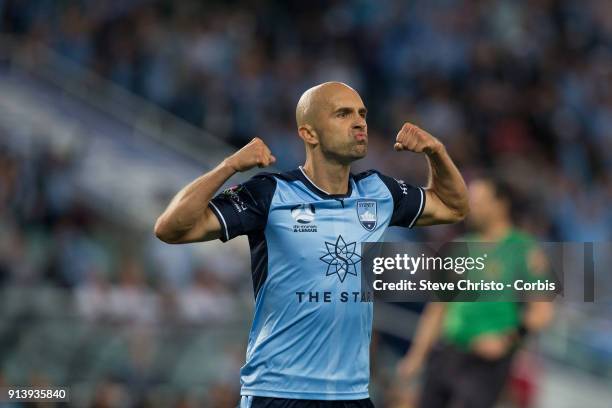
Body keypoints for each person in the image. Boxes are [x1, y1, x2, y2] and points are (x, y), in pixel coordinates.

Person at [154, 82, 469, 408]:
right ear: (310, 133)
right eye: (343, 114)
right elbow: (171, 227)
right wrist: (229, 166)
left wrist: (436, 152)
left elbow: (453, 206)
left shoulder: (379, 191)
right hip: (278, 392)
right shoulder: (271, 193)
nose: (359, 122)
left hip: (352, 395)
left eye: (362, 113)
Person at [396, 177, 555, 408]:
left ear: (501, 204)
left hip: (485, 364)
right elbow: (437, 308)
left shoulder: (524, 250)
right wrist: (416, 357)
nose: (472, 207)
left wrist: (506, 339)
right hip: (447, 353)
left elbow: (542, 311)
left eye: (480, 201)